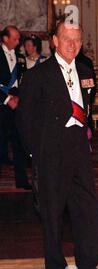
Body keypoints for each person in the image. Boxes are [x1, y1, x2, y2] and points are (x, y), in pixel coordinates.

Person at [16, 22, 98, 269]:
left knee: (88, 212)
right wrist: (35, 153)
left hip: (80, 154)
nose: (72, 44)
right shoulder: (38, 75)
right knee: (53, 217)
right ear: (54, 42)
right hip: (50, 156)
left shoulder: (85, 72)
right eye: (66, 39)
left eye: (76, 39)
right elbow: (24, 119)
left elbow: (85, 106)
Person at [0, 25, 31, 189]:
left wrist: (19, 97)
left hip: (17, 106)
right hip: (1, 105)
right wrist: (7, 99)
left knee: (19, 144)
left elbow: (22, 81)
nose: (19, 42)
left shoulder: (20, 58)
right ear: (5, 39)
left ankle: (22, 181)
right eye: (15, 39)